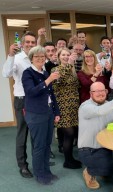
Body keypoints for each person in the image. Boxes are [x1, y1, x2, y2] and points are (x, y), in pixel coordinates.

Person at [21, 46, 60, 185]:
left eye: (43, 57)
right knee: (39, 145)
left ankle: (46, 171)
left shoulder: (44, 72)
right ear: (31, 58)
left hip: (48, 112)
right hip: (36, 114)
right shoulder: (28, 73)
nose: (40, 59)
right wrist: (48, 80)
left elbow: (51, 94)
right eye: (37, 57)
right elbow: (31, 92)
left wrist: (56, 112)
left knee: (47, 144)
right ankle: (40, 174)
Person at [2, 31, 37, 178]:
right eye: (27, 42)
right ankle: (23, 165)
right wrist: (10, 55)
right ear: (22, 44)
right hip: (22, 100)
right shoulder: (16, 58)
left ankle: (39, 160)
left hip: (37, 101)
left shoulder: (37, 57)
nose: (30, 44)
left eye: (32, 42)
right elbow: (6, 73)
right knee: (22, 133)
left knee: (37, 134)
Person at [52, 48, 81, 169]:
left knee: (73, 133)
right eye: (63, 55)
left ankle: (70, 158)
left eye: (68, 55)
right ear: (59, 57)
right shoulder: (56, 69)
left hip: (74, 107)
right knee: (68, 133)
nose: (66, 56)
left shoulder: (73, 70)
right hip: (62, 106)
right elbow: (59, 80)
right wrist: (69, 64)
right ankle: (67, 161)